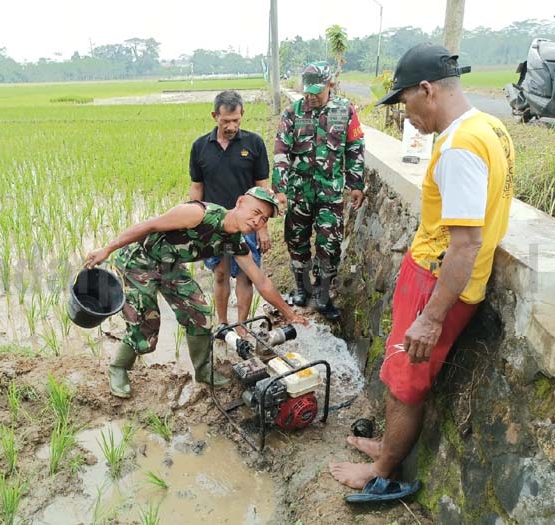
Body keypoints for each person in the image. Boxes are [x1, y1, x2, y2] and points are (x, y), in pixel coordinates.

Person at [330, 43, 514, 491]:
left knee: (406, 382)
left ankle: (382, 473)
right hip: (431, 274)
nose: (403, 116)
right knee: (398, 369)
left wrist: (431, 317)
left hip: (438, 284)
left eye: (404, 101)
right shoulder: (490, 127)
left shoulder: (459, 148)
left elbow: (466, 243)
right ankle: (387, 449)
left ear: (427, 90)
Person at [82, 187, 308, 399]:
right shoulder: (198, 214)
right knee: (146, 326)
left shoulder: (234, 241)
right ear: (240, 202)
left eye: (264, 219)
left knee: (199, 315)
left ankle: (203, 370)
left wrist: (289, 314)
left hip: (171, 267)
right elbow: (149, 225)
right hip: (140, 263)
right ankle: (118, 368)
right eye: (256, 212)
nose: (257, 221)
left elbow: (261, 281)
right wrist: (107, 249)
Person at [272, 61, 366, 321]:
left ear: (330, 85)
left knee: (330, 243)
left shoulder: (345, 110)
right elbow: (281, 152)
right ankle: (301, 289)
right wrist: (279, 190)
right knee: (297, 242)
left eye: (317, 91)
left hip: (330, 194)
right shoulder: (293, 113)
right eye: (308, 91)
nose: (311, 97)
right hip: (299, 192)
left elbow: (354, 148)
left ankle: (323, 295)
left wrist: (356, 184)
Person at [190, 90, 271, 338]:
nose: (231, 126)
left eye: (236, 120)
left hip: (246, 225)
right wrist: (194, 224)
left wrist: (262, 228)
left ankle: (242, 327)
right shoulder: (200, 147)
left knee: (247, 276)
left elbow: (263, 188)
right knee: (221, 273)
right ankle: (223, 324)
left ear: (242, 115)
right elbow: (196, 188)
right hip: (215, 225)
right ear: (215, 116)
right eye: (226, 121)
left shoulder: (254, 144)